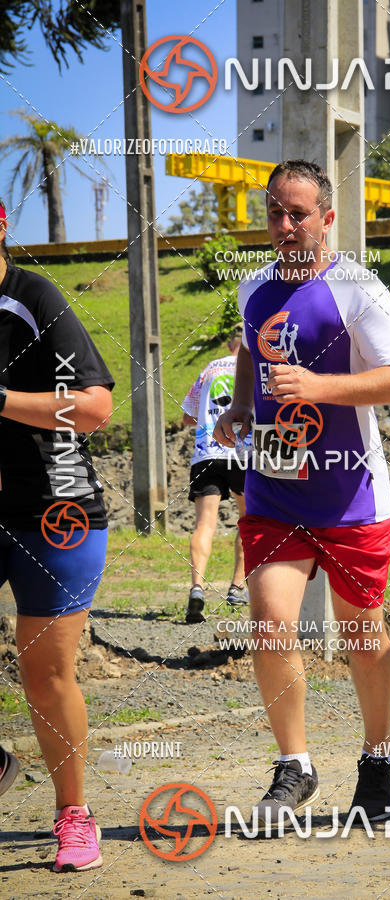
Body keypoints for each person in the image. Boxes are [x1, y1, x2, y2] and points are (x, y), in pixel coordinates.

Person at [214, 160, 390, 822]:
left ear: (327, 218)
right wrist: (242, 407)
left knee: (363, 635)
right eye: (275, 211)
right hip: (274, 489)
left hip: (351, 492)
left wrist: (318, 387)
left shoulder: (358, 289)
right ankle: (294, 766)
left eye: (298, 212)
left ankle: (378, 755)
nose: (284, 224)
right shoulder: (254, 288)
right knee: (271, 623)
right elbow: (251, 346)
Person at [0, 199, 114, 871]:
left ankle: (74, 814)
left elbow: (96, 407)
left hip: (54, 511)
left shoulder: (32, 299)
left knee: (43, 677)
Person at [182, 325, 253, 623]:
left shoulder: (209, 369)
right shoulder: (254, 369)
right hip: (244, 451)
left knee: (205, 524)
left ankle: (197, 586)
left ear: (228, 344)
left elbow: (187, 415)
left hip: (207, 451)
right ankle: (237, 587)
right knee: (247, 521)